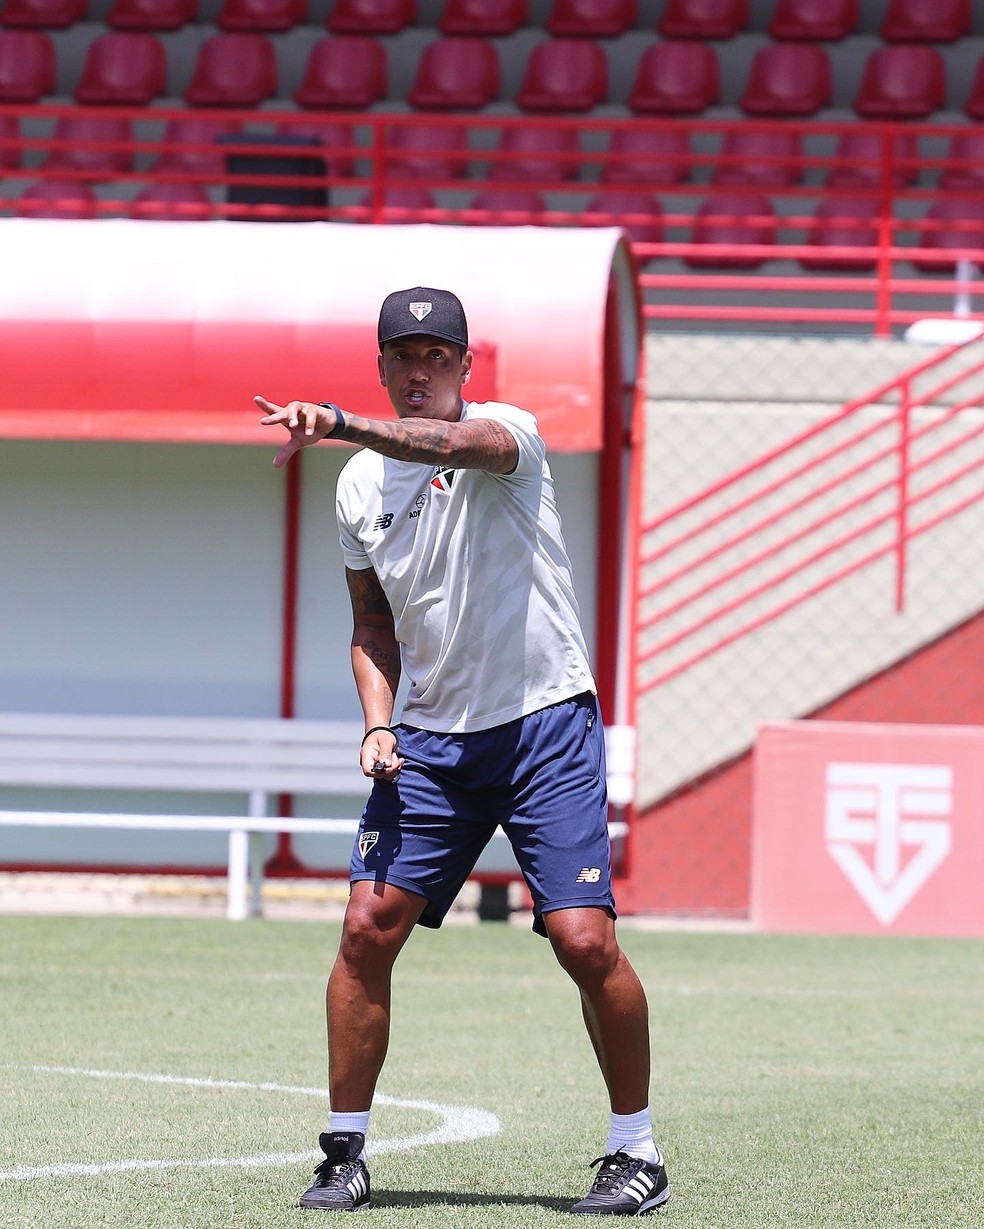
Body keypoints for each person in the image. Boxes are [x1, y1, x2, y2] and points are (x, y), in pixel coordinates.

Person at [255, 286, 669, 1217]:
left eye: (436, 356)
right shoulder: (356, 486)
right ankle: (345, 1151)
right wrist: (378, 722)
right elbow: (372, 626)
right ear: (381, 365)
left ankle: (636, 1150)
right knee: (365, 930)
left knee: (585, 940)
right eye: (402, 356)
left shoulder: (509, 434)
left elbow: (445, 446)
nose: (419, 371)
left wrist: (337, 421)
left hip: (543, 725)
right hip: (433, 742)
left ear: (465, 366)